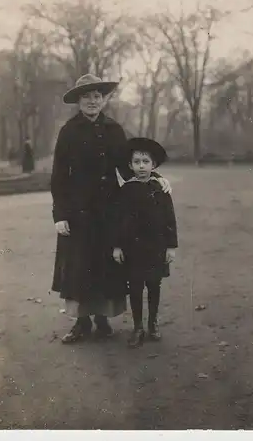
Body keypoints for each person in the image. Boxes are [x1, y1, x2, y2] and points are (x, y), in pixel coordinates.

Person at [51, 74, 172, 344]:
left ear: (104, 99)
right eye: (86, 97)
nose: (92, 101)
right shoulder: (68, 131)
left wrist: (156, 178)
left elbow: (129, 166)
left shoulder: (114, 130)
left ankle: (102, 318)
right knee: (79, 265)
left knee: (105, 263)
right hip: (78, 209)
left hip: (108, 207)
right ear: (79, 101)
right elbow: (58, 175)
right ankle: (81, 322)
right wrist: (60, 215)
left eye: (97, 96)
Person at [111, 138, 178, 348]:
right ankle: (138, 326)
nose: (141, 166)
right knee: (136, 287)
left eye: (146, 162)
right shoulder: (125, 191)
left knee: (154, 285)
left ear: (153, 165)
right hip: (133, 249)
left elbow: (169, 219)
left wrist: (171, 246)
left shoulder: (160, 189)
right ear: (130, 165)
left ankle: (153, 323)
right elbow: (117, 221)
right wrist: (117, 246)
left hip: (155, 247)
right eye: (137, 162)